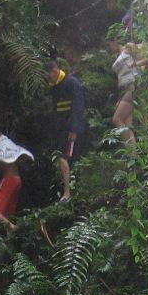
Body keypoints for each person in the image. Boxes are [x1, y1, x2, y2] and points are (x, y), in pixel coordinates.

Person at [45, 59, 87, 203]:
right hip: (62, 130)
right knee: (64, 158)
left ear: (55, 71)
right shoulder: (55, 87)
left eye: (48, 75)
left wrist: (74, 129)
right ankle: (70, 192)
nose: (48, 78)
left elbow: (78, 107)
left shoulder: (72, 83)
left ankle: (68, 193)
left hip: (72, 130)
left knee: (64, 157)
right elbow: (57, 110)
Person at [106, 34, 148, 144]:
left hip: (131, 86)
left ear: (115, 40)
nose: (108, 48)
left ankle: (131, 154)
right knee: (126, 124)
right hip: (123, 89)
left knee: (117, 120)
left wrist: (136, 64)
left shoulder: (128, 48)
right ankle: (132, 157)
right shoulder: (119, 55)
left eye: (108, 44)